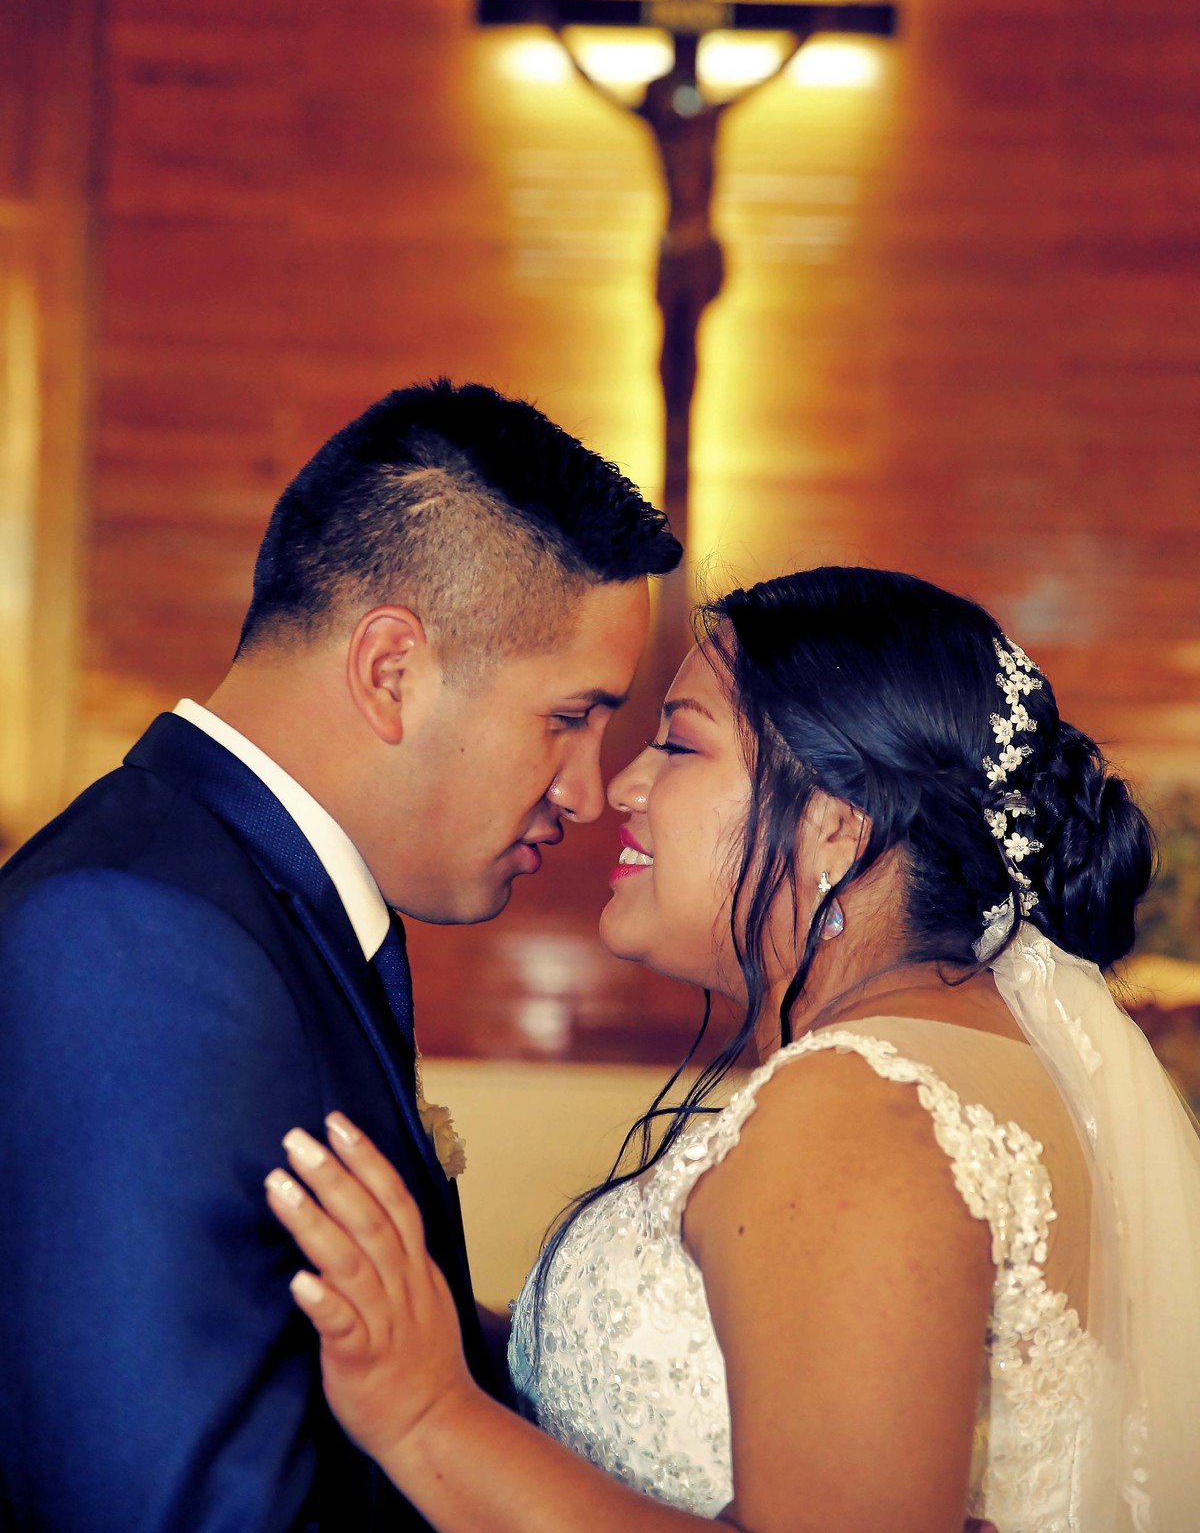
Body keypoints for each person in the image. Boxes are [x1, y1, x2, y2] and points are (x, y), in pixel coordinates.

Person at [265, 566, 1200, 1532]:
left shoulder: (860, 1106)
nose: (621, 787)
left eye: (678, 744)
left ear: (837, 827)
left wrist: (426, 1419)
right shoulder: (962, 1061)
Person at [0, 380, 681, 1532]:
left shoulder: (244, 903)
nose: (586, 790)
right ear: (390, 670)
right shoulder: (128, 937)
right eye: (571, 717)